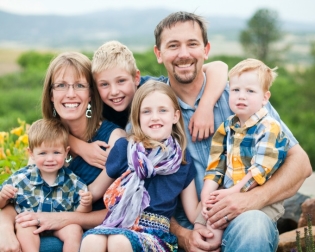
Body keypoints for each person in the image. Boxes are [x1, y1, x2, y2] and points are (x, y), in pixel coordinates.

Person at [151, 11, 312, 252]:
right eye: (173, 45)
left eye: (192, 44)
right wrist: (183, 235)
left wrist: (250, 200)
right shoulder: (151, 109)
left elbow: (301, 163)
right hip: (186, 230)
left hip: (246, 220)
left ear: (206, 50)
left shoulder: (242, 95)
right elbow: (140, 189)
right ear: (158, 53)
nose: (184, 54)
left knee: (254, 225)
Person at [0, 52, 126, 252]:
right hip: (44, 237)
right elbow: (20, 193)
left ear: (91, 93)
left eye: (79, 85)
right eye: (61, 85)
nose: (70, 94)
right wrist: (5, 229)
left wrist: (60, 219)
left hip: (94, 240)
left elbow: (123, 210)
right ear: (50, 95)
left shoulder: (114, 140)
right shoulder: (46, 141)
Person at [79, 80, 202, 252]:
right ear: (137, 117)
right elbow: (94, 192)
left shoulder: (182, 158)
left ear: (175, 116)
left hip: (156, 235)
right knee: (92, 240)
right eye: (146, 111)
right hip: (118, 223)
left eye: (162, 110)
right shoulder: (124, 149)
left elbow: (194, 212)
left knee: (119, 241)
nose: (155, 117)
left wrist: (216, 187)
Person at [70, 40, 229, 170]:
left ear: (136, 78)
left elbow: (219, 67)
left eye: (121, 81)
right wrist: (82, 148)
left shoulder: (153, 91)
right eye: (104, 84)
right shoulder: (97, 104)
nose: (114, 91)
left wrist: (205, 107)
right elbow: (52, 128)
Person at [199, 58, 290, 247]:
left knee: (251, 227)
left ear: (265, 97)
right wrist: (207, 193)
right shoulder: (227, 127)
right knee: (207, 233)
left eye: (250, 91)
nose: (241, 96)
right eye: (236, 90)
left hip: (259, 202)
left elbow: (260, 170)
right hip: (229, 196)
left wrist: (232, 192)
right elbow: (216, 162)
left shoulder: (269, 128)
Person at [0, 118, 93, 252]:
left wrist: (86, 204)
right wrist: (3, 197)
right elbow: (2, 206)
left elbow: (80, 214)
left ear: (66, 152)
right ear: (31, 153)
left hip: (59, 226)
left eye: (56, 152)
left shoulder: (73, 182)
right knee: (24, 226)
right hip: (31, 226)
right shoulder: (20, 178)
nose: (50, 159)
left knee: (75, 229)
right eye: (43, 153)